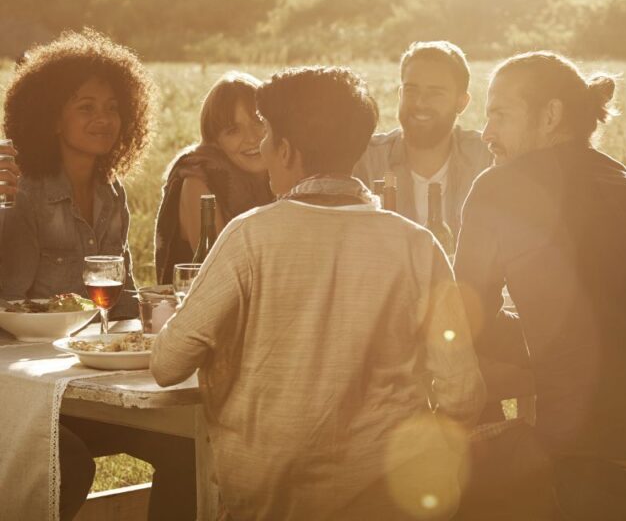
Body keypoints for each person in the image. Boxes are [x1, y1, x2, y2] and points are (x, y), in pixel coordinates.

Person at [151, 66, 486, 520]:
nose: (262, 147)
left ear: (286, 151)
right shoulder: (416, 243)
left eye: (266, 134)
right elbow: (462, 393)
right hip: (387, 495)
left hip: (267, 496)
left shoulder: (249, 236)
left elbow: (167, 364)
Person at [454, 51, 626, 520]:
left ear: (550, 116)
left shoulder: (498, 186)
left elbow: (466, 319)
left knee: (430, 484)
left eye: (499, 114)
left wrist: (546, 343)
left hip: (602, 474)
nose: (487, 133)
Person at [0, 30, 195, 520]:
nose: (103, 119)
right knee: (67, 461)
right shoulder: (23, 190)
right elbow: (10, 302)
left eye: (111, 106)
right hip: (25, 386)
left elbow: (122, 301)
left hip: (89, 380)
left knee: (186, 446)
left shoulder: (112, 192)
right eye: (85, 106)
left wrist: (174, 308)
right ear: (52, 115)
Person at [354, 41, 491, 236]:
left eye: (435, 93)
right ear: (400, 94)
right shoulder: (365, 159)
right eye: (411, 90)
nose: (420, 103)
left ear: (462, 102)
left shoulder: (485, 157)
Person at [154, 71, 272, 284]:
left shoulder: (280, 171)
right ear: (215, 142)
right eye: (233, 130)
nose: (252, 138)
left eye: (258, 122)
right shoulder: (199, 180)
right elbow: (218, 277)